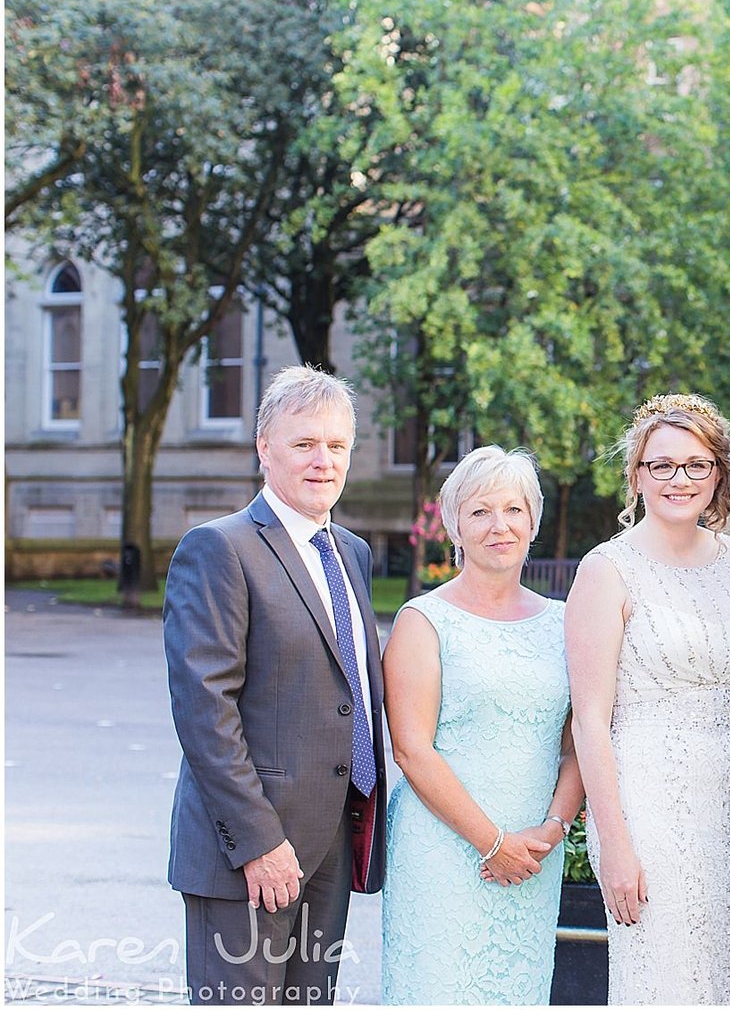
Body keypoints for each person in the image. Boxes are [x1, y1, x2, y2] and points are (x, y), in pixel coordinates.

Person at [165, 365, 385, 1005]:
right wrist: (260, 843)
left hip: (331, 846)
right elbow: (206, 712)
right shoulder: (218, 549)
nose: (324, 461)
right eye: (305, 444)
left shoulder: (352, 552)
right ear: (265, 449)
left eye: (337, 446)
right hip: (251, 855)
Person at [565, 394, 730, 1004]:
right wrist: (615, 844)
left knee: (715, 984)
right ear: (638, 476)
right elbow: (590, 721)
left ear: (719, 473)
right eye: (662, 465)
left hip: (726, 814)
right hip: (644, 812)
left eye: (696, 464)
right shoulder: (607, 569)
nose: (680, 479)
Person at [380, 445, 583, 1004]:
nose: (500, 526)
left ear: (533, 521)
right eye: (481, 512)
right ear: (455, 527)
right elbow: (411, 750)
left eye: (514, 510)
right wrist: (490, 842)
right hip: (445, 851)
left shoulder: (564, 623)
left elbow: (577, 746)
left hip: (534, 858)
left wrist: (554, 829)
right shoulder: (425, 621)